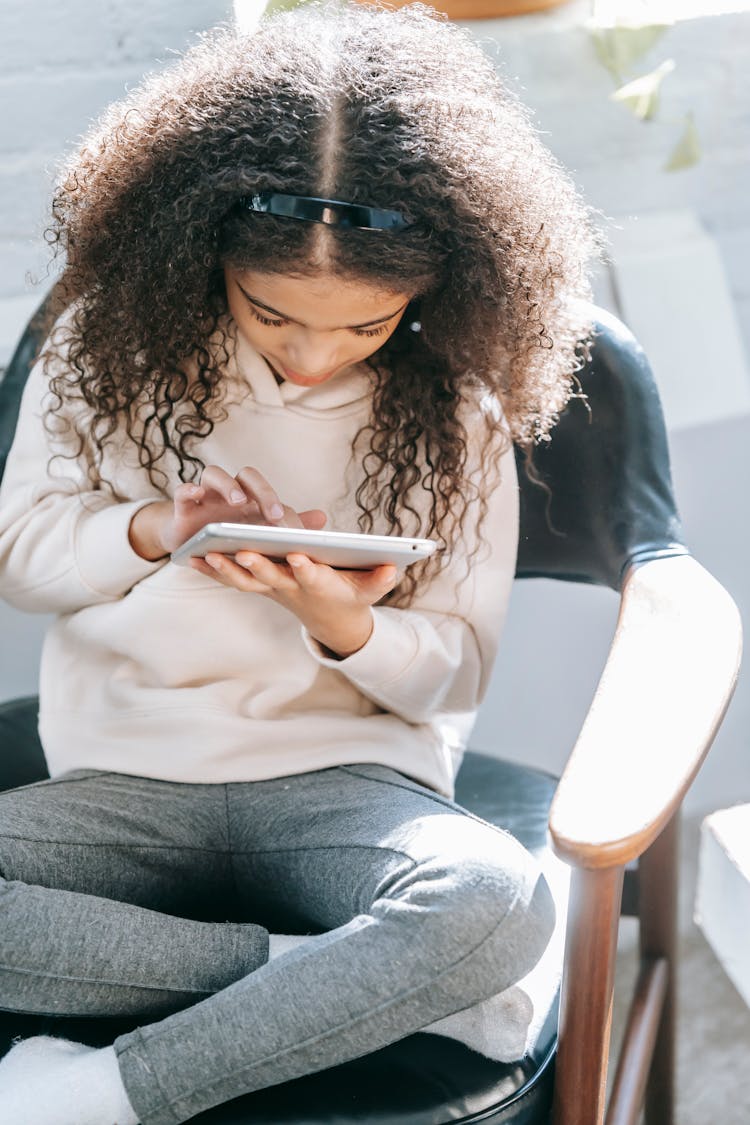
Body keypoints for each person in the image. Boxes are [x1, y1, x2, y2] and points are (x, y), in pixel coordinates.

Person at [0, 3, 600, 1122]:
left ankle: (100, 1098)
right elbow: (22, 562)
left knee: (497, 904)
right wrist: (152, 530)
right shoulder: (97, 353)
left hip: (347, 790)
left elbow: (455, 674)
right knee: (460, 951)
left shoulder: (456, 415)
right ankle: (339, 984)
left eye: (365, 328)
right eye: (275, 313)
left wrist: (343, 620)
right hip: (123, 784)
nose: (317, 357)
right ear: (203, 242)